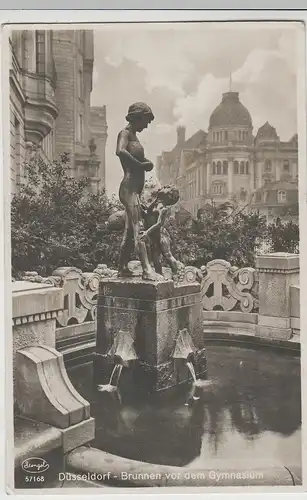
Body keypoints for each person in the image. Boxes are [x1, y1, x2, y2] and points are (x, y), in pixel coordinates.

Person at [116, 102, 164, 281]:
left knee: (130, 232)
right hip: (128, 188)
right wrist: (141, 165)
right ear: (137, 116)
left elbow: (137, 158)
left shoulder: (134, 136)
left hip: (135, 189)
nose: (146, 125)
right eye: (145, 120)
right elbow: (120, 151)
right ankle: (146, 269)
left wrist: (146, 162)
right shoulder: (125, 133)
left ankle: (121, 266)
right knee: (139, 229)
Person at [140, 185, 184, 275]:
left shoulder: (164, 208)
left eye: (165, 188)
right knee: (155, 258)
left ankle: (178, 272)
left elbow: (159, 223)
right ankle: (159, 275)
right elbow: (147, 213)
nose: (162, 188)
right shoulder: (155, 202)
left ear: (169, 196)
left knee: (167, 255)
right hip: (153, 235)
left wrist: (146, 232)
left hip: (161, 235)